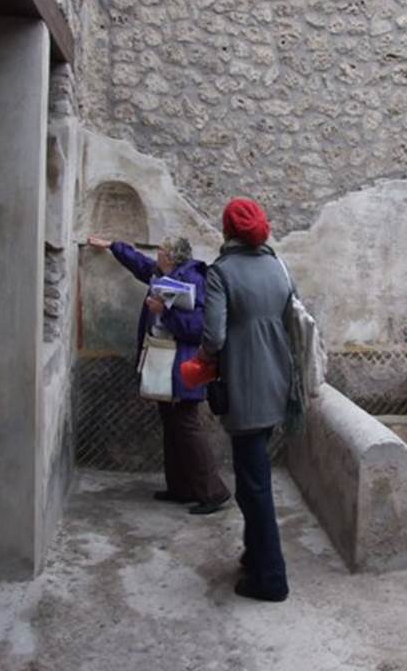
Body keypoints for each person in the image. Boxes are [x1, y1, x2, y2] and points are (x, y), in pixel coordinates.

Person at [88, 234, 231, 515]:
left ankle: (214, 492)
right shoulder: (162, 273)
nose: (157, 255)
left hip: (183, 365)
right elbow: (140, 264)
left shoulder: (193, 280)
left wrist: (164, 312)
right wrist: (114, 246)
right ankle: (180, 488)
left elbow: (197, 328)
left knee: (187, 427)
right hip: (166, 363)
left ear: (172, 257)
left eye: (162, 251)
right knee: (172, 425)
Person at [199, 198, 291, 602]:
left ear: (227, 229)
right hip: (278, 383)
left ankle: (271, 578)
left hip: (245, 387)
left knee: (254, 486)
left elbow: (214, 337)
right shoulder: (278, 267)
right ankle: (255, 555)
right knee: (256, 474)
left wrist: (202, 358)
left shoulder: (222, 273)